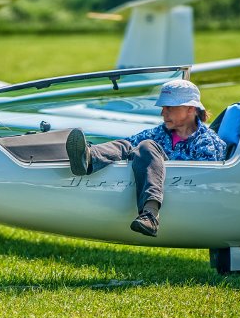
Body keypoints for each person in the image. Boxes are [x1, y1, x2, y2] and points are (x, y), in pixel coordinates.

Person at [65, 79, 226, 237]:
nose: (163, 113)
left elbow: (207, 183)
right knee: (128, 145)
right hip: (160, 185)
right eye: (163, 107)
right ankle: (88, 157)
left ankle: (151, 215)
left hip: (183, 197)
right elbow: (127, 145)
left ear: (191, 108)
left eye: (169, 107)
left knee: (147, 145)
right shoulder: (159, 132)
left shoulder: (208, 142)